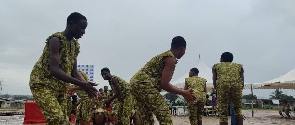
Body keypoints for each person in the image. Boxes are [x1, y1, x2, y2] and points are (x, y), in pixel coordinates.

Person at [29, 12, 98, 125]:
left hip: (60, 87)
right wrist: (82, 84)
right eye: (81, 28)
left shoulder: (75, 46)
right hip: (43, 84)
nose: (83, 32)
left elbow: (74, 71)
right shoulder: (56, 40)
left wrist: (86, 85)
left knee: (64, 120)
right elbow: (54, 70)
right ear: (72, 24)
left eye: (85, 29)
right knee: (58, 119)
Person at [130, 36, 196, 125]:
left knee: (146, 119)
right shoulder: (170, 59)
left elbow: (164, 83)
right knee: (165, 116)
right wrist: (184, 93)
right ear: (182, 48)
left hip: (135, 84)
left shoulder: (165, 56)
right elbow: (164, 84)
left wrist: (183, 92)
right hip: (144, 84)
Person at [212, 52, 244, 125]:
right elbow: (242, 81)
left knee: (223, 112)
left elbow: (214, 80)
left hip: (222, 86)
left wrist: (218, 90)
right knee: (238, 110)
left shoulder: (216, 66)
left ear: (222, 59)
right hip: (236, 86)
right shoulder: (239, 66)